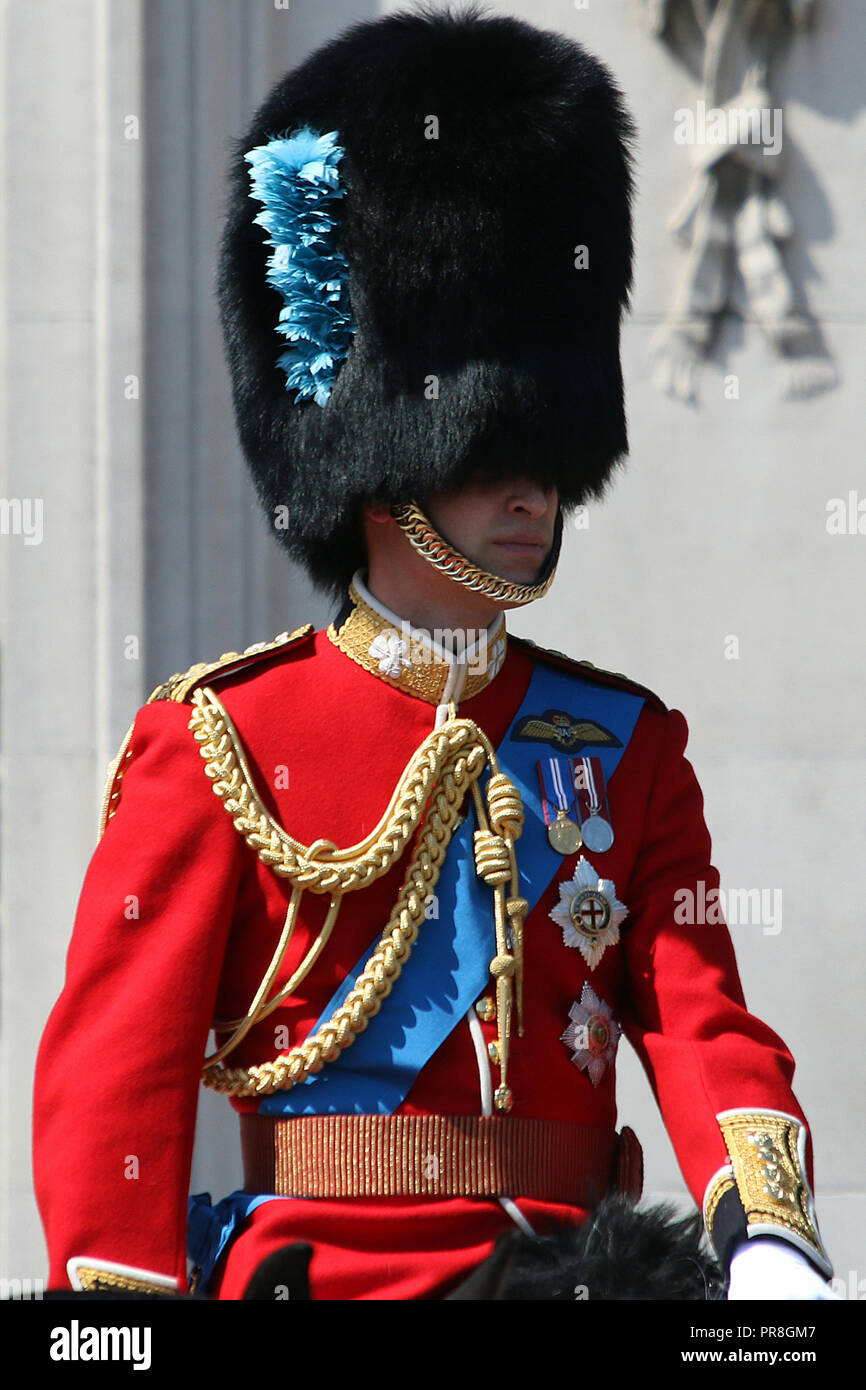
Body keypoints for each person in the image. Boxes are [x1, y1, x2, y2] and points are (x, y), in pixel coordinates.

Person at [33, 8, 834, 1301]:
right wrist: (114, 1316)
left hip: (571, 1265)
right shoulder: (221, 739)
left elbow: (699, 1018)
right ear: (376, 472)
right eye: (485, 454)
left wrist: (768, 1231)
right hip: (318, 1271)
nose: (533, 493)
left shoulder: (625, 749)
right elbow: (116, 1073)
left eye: (545, 456)